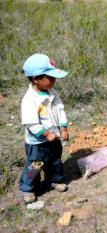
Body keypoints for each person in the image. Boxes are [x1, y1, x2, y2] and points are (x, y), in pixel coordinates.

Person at [20, 53, 69, 204]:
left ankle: (54, 180)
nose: (54, 80)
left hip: (54, 138)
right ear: (36, 79)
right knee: (35, 165)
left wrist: (63, 127)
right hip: (37, 142)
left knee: (55, 161)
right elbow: (30, 123)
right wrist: (46, 133)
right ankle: (28, 188)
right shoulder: (29, 99)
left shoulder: (52, 93)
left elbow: (60, 109)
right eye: (51, 77)